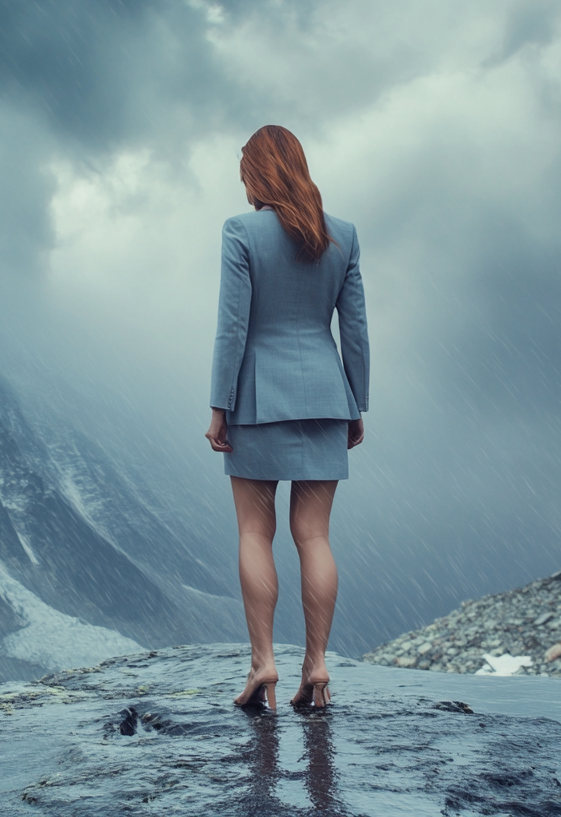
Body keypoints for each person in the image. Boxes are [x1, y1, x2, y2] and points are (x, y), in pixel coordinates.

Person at [205, 125, 369, 711]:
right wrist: (357, 401)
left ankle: (263, 665)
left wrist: (220, 406)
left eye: (244, 171)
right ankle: (318, 666)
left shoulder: (241, 232)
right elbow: (354, 329)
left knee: (256, 532)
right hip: (328, 396)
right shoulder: (341, 236)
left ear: (257, 173)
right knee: (315, 536)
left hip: (257, 401)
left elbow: (233, 327)